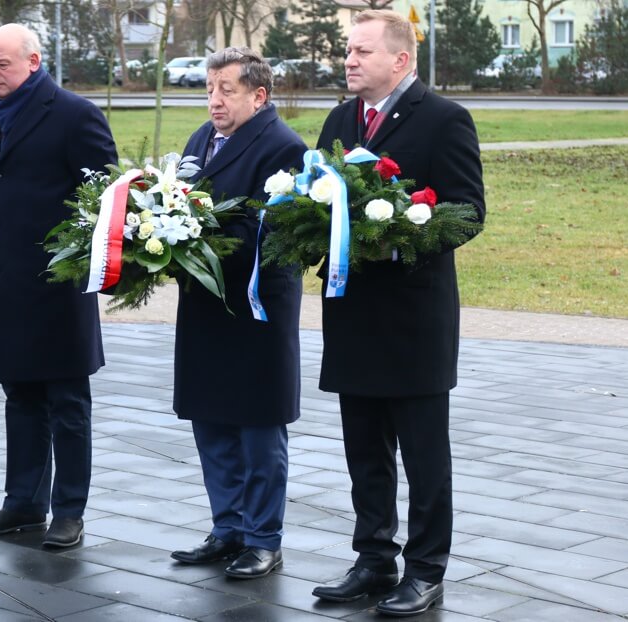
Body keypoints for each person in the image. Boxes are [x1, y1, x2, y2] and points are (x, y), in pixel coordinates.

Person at [310, 10, 485, 616]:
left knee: (423, 455)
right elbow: (318, 202)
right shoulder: (340, 118)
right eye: (348, 51)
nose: (349, 61)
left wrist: (394, 241)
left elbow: (467, 211)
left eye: (361, 52)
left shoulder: (443, 121)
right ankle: (373, 558)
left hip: (413, 321)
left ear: (400, 60)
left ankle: (427, 568)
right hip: (353, 315)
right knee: (364, 449)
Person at [0, 24, 117, 548]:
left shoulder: (75, 114)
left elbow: (105, 196)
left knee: (67, 400)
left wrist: (75, 259)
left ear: (34, 61)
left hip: (57, 283)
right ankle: (23, 503)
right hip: (7, 281)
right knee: (20, 394)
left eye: (2, 63)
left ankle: (69, 510)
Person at [169, 47, 307, 579]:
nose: (214, 100)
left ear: (259, 95)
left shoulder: (283, 147)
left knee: (257, 427)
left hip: (256, 310)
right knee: (211, 420)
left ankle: (262, 539)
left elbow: (270, 229)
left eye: (226, 89)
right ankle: (226, 527)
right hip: (205, 304)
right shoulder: (199, 140)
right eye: (209, 89)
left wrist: (194, 234)